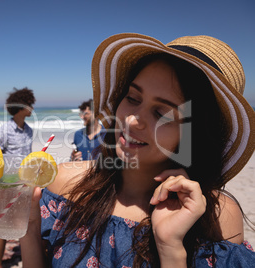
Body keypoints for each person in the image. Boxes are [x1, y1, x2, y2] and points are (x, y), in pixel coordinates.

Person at [20, 33, 255, 267]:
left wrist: (171, 249)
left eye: (161, 114)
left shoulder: (218, 218)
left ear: (194, 134)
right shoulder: (66, 185)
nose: (132, 121)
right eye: (132, 98)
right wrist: (30, 228)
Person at [0, 87, 36, 267]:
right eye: (29, 104)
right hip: (7, 183)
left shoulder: (29, 130)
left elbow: (29, 156)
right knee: (3, 223)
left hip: (25, 182)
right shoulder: (4, 130)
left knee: (23, 222)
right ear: (20, 107)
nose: (32, 108)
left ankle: (26, 258)